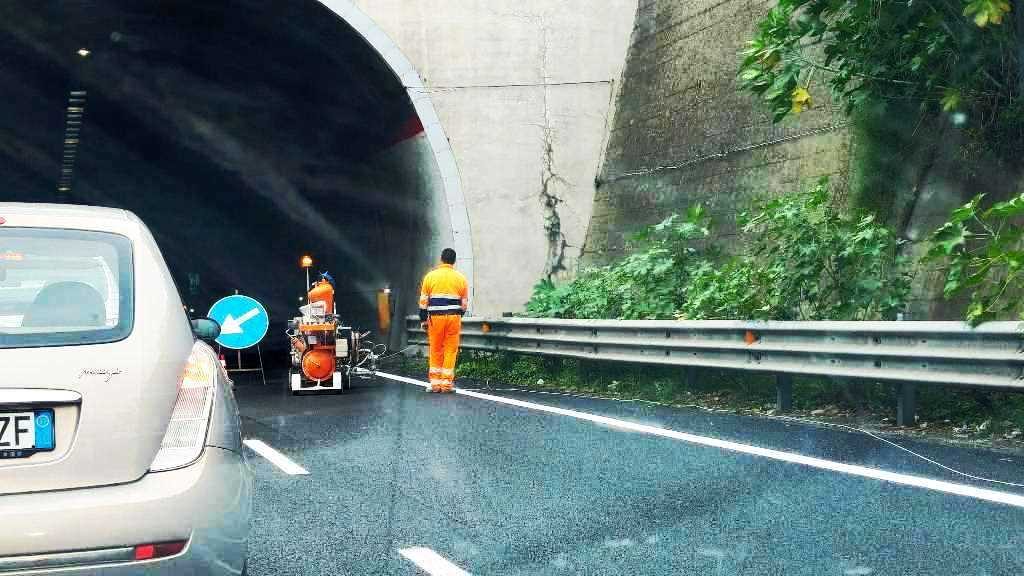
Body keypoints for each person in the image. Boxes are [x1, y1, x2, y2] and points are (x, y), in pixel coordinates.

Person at [418, 248, 469, 393]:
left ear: (441, 259)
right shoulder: (461, 278)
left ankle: (435, 384)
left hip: (436, 319)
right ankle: (446, 385)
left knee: (436, 349)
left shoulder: (430, 277)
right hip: (453, 318)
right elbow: (464, 304)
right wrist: (458, 315)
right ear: (454, 261)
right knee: (450, 350)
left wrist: (423, 320)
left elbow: (423, 302)